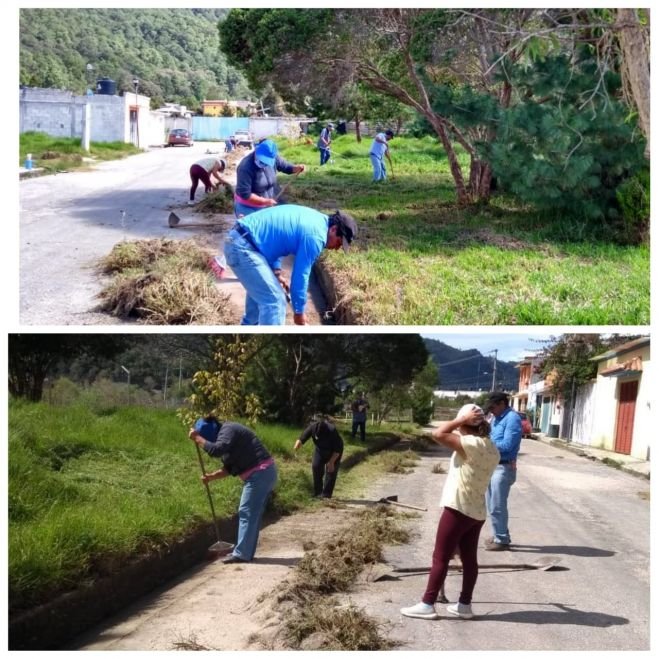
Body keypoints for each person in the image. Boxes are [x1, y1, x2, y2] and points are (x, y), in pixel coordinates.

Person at [400, 404, 500, 621]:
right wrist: (464, 421)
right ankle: (464, 605)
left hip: (458, 507)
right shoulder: (492, 447)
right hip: (477, 511)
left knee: (440, 557)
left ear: (464, 424)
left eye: (460, 423)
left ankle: (427, 603)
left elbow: (437, 433)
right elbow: (450, 434)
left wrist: (460, 418)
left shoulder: (469, 444)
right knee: (469, 559)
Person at [223, 204, 357, 326]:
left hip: (242, 240)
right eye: (339, 243)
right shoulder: (316, 237)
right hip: (242, 248)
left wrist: (276, 272)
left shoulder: (316, 220)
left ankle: (246, 336)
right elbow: (300, 276)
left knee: (258, 306)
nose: (336, 248)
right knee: (275, 302)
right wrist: (299, 311)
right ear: (334, 229)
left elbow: (277, 239)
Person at [188, 416, 277, 564]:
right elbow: (229, 468)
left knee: (246, 511)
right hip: (263, 473)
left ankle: (242, 554)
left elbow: (216, 450)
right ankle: (246, 553)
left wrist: (197, 438)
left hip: (260, 473)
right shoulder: (226, 438)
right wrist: (211, 477)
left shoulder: (228, 430)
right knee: (251, 514)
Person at [483, 392, 522, 551]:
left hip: (503, 466)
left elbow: (507, 445)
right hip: (493, 465)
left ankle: (502, 540)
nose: (491, 411)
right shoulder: (496, 419)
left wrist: (485, 444)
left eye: (493, 407)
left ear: (502, 404)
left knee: (497, 505)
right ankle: (499, 534)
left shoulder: (512, 419)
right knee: (491, 505)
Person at [233, 139, 305, 217]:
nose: (264, 164)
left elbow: (286, 167)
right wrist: (265, 201)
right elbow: (245, 194)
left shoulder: (273, 157)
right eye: (262, 161)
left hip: (267, 204)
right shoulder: (245, 167)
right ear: (257, 151)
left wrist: (296, 168)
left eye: (267, 162)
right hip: (249, 207)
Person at [294, 415, 344, 498]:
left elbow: (337, 450)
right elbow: (303, 436)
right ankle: (318, 493)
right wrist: (298, 443)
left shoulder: (332, 430)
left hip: (334, 451)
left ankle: (326, 494)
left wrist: (331, 462)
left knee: (331, 470)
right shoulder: (313, 427)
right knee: (316, 466)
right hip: (320, 450)